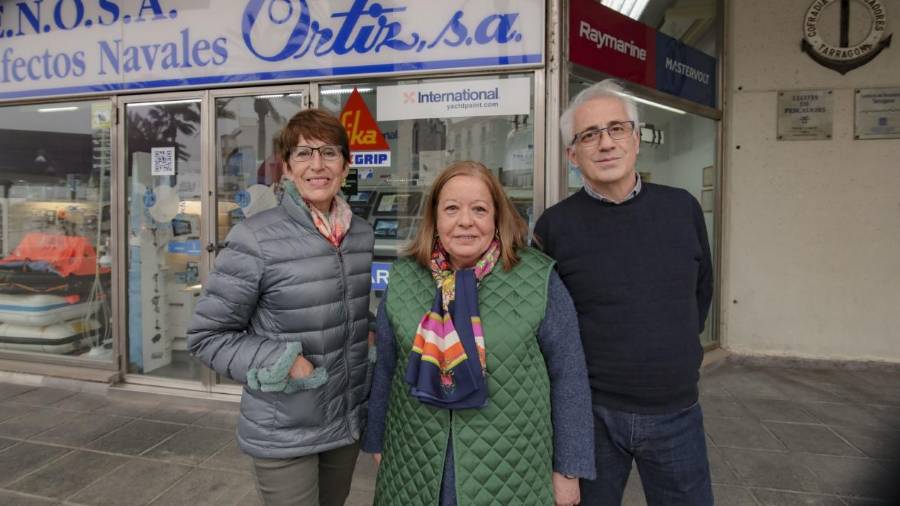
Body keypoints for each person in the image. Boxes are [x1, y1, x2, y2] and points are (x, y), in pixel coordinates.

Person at [364, 161, 595, 506]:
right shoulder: (404, 278)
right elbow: (386, 367)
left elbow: (569, 378)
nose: (465, 221)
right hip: (416, 462)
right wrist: (377, 442)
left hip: (512, 472)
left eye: (479, 209)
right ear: (435, 218)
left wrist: (568, 471)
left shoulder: (539, 279)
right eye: (452, 209)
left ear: (497, 218)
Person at [533, 79, 714, 505]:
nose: (606, 143)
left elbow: (701, 289)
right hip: (591, 417)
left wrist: (675, 352)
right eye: (589, 134)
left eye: (617, 129)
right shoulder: (553, 227)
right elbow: (544, 322)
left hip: (676, 410)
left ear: (636, 139)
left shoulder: (681, 208)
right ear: (571, 154)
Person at [188, 109, 374, 506]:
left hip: (345, 419)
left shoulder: (360, 233)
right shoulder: (256, 236)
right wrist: (280, 359)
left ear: (346, 163)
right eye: (304, 154)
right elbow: (207, 336)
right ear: (287, 168)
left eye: (329, 152)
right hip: (284, 424)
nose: (317, 165)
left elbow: (346, 308)